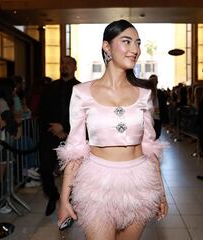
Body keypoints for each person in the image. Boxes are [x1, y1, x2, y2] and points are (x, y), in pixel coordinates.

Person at [56, 19, 168, 240]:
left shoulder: (144, 93)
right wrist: (64, 198)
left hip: (140, 183)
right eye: (126, 42)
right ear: (107, 47)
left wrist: (161, 194)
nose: (135, 49)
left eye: (137, 43)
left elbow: (150, 148)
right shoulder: (81, 92)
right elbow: (75, 149)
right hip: (97, 184)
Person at [39, 56, 80, 216]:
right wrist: (54, 128)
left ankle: (67, 203)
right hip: (50, 134)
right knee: (45, 169)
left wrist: (65, 129)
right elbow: (43, 110)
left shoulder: (80, 88)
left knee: (71, 172)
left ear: (75, 67)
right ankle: (52, 195)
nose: (64, 66)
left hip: (72, 136)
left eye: (68, 63)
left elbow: (80, 114)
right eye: (62, 63)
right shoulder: (50, 87)